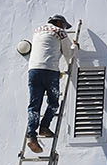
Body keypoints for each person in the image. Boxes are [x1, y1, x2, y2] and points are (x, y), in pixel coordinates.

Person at [19, 15, 76, 154]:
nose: (64, 28)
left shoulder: (37, 31)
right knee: (53, 103)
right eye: (63, 25)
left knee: (34, 106)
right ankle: (44, 127)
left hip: (33, 71)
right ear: (58, 22)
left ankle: (31, 136)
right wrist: (75, 46)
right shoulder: (60, 32)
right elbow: (69, 54)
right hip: (50, 71)